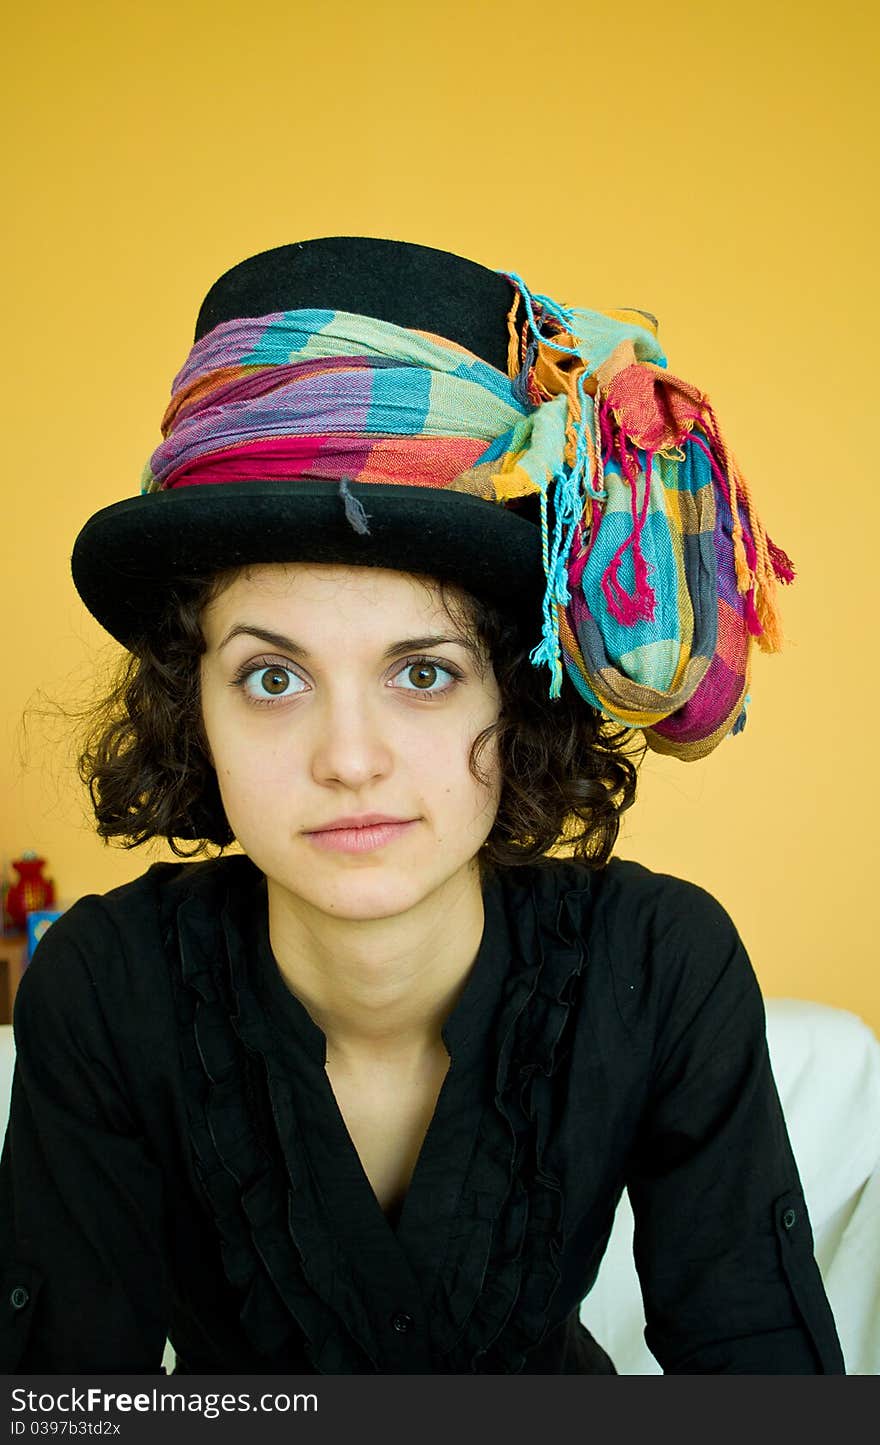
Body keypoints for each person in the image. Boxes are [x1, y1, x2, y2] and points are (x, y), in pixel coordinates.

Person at [0, 237, 845, 1374]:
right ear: (188, 702)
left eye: (424, 671)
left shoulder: (663, 965)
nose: (350, 758)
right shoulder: (103, 988)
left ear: (519, 692)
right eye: (271, 675)